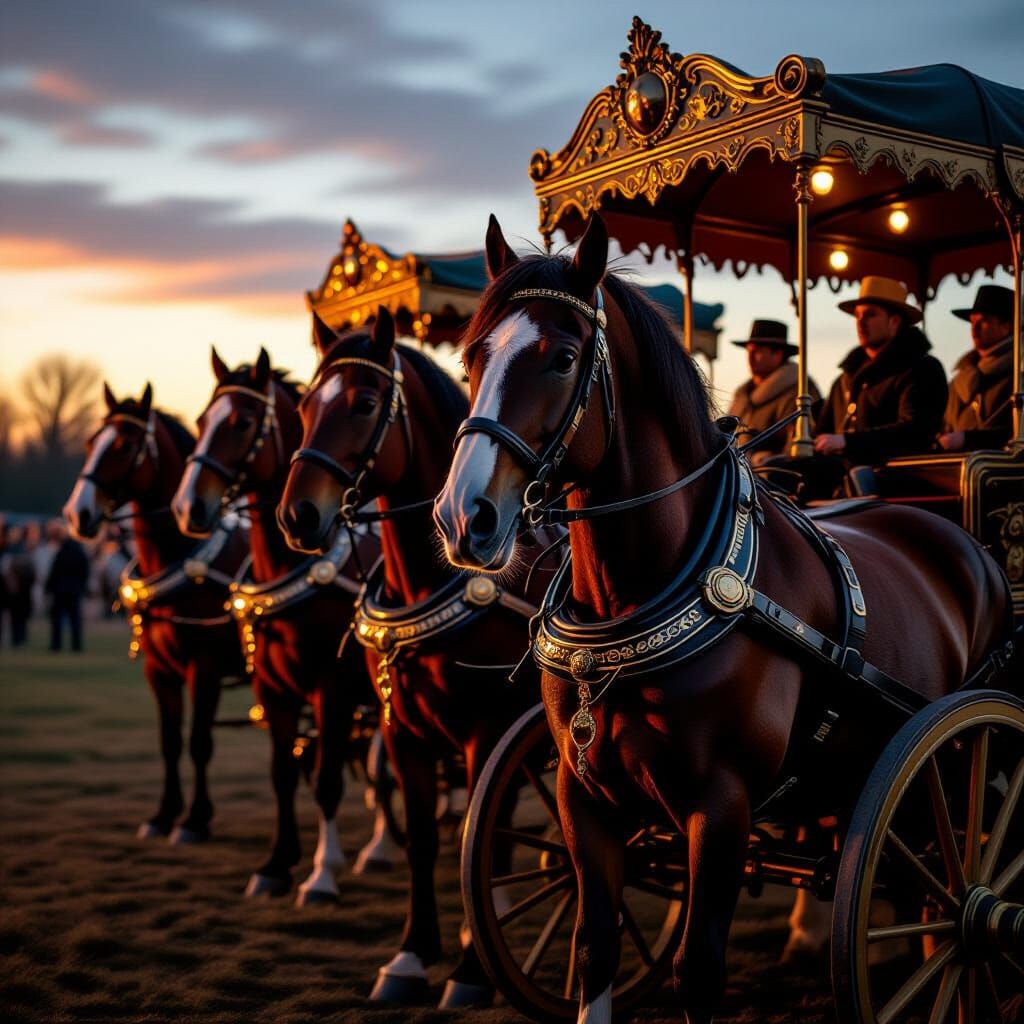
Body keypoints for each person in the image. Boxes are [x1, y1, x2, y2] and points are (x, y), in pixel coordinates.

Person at [813, 276, 947, 477]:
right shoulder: (845, 379)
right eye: (857, 316)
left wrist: (847, 442)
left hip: (895, 478)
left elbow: (915, 432)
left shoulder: (922, 369)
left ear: (894, 322)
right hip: (840, 474)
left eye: (870, 315)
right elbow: (823, 430)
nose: (861, 322)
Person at [727, 319, 820, 463]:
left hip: (770, 478)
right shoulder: (742, 395)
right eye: (749, 351)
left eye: (757, 351)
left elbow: (799, 446)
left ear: (778, 354)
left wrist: (767, 459)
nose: (750, 358)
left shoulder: (800, 391)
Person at [937, 284, 1015, 452]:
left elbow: (1015, 433)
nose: (974, 328)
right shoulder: (959, 378)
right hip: (952, 468)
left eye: (984, 321)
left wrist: (968, 439)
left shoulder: (1017, 373)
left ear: (1006, 326)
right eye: (972, 321)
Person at [45, 522, 90, 652]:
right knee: (75, 619)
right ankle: (76, 646)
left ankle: (56, 645)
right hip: (74, 590)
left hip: (60, 590)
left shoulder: (61, 551)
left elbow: (54, 571)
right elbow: (85, 571)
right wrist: (82, 586)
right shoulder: (79, 551)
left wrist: (48, 587)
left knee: (57, 619)